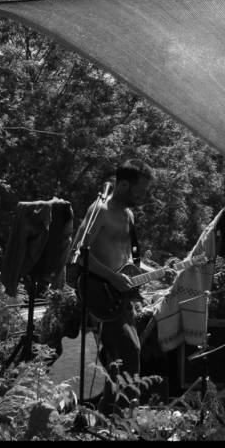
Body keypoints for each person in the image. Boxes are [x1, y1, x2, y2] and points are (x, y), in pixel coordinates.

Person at [71, 159, 155, 415]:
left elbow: (128, 260)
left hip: (120, 296)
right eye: (139, 191)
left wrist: (159, 270)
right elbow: (79, 255)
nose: (142, 197)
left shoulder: (129, 215)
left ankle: (108, 415)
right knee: (130, 352)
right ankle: (125, 416)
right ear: (123, 185)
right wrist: (113, 278)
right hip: (98, 291)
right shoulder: (100, 210)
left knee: (118, 360)